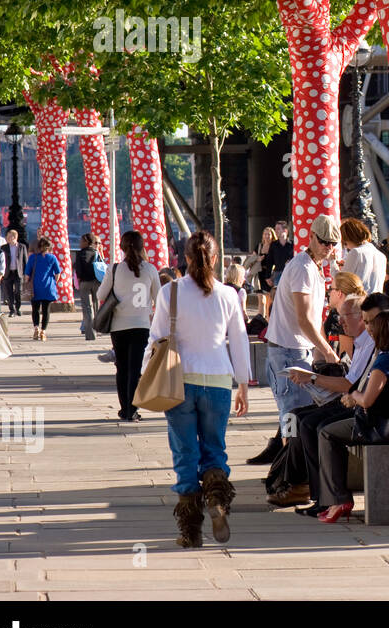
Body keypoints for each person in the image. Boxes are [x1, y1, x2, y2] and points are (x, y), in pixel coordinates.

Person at [148, 231, 251, 547]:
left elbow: (156, 340)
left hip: (180, 382)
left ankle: (191, 531)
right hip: (219, 381)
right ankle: (218, 500)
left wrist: (145, 378)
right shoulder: (229, 295)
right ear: (215, 258)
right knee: (214, 448)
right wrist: (244, 385)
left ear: (186, 258)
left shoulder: (171, 292)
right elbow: (240, 340)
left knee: (185, 453)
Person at [268, 293, 386, 512]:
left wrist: (312, 378)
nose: (339, 322)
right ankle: (297, 482)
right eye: (338, 316)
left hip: (358, 405)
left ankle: (320, 495)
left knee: (310, 424)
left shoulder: (368, 342)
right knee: (294, 417)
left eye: (345, 316)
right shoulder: (359, 343)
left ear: (362, 317)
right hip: (349, 400)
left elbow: (349, 385)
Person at [314, 309, 389, 522]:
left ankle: (339, 499)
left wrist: (352, 394)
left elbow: (366, 400)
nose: (370, 331)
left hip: (386, 427)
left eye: (374, 327)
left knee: (327, 433)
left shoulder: (385, 360)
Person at [259, 214, 342, 463]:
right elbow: (304, 319)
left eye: (333, 243)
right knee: (292, 416)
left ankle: (291, 467)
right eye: (325, 242)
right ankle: (289, 469)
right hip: (288, 351)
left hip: (295, 349)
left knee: (296, 414)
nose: (329, 248)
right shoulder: (304, 268)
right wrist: (327, 350)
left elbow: (310, 320)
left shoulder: (312, 267)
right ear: (312, 237)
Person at [100, 230, 162, 422]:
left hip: (119, 325)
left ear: (122, 247)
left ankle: (123, 408)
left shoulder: (115, 269)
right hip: (141, 325)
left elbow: (101, 295)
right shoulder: (150, 269)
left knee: (122, 367)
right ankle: (132, 409)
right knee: (135, 368)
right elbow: (158, 298)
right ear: (142, 246)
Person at [340, 217, 386, 299]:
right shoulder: (381, 256)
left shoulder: (356, 252)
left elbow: (340, 281)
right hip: (377, 304)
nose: (346, 246)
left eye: (345, 243)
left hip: (359, 304)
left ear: (349, 238)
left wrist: (332, 261)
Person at [26, 237, 61, 342]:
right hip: (48, 287)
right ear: (49, 247)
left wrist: (27, 283)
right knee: (46, 311)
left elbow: (27, 275)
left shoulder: (33, 258)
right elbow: (57, 273)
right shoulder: (52, 258)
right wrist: (54, 282)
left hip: (35, 288)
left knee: (35, 309)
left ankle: (36, 327)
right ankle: (43, 331)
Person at [325, 271, 366, 358]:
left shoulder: (349, 318)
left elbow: (346, 360)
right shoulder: (334, 313)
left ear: (339, 293)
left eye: (330, 289)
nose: (328, 293)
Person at [73, 233, 104, 342]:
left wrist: (80, 279)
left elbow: (78, 269)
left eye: (81, 241)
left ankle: (90, 334)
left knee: (87, 308)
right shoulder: (96, 252)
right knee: (95, 306)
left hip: (85, 282)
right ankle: (96, 329)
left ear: (87, 242)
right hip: (96, 282)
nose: (80, 243)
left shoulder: (80, 254)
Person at [1, 228, 28, 317]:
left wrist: (26, 273)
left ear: (14, 237)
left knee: (18, 291)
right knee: (9, 292)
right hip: (8, 273)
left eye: (10, 237)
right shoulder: (4, 247)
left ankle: (18, 308)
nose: (8, 238)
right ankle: (11, 310)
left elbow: (25, 260)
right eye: (7, 237)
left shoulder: (21, 247)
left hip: (18, 272)